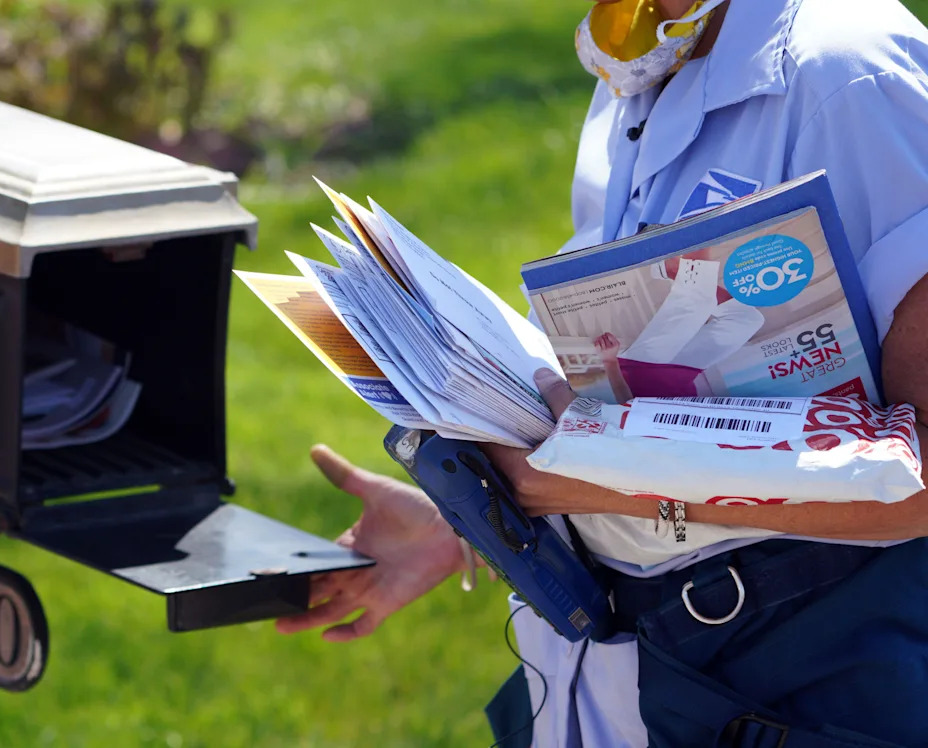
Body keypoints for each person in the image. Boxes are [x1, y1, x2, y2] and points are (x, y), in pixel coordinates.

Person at [276, 0, 928, 745]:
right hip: (634, 670)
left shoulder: (853, 73)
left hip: (809, 675)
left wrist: (568, 480)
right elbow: (630, 391)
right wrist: (466, 520)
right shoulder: (640, 54)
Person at [592, 250, 765, 401]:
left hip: (643, 372)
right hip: (682, 377)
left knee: (696, 300)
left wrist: (609, 361)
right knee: (747, 320)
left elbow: (625, 406)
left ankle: (696, 227)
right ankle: (675, 271)